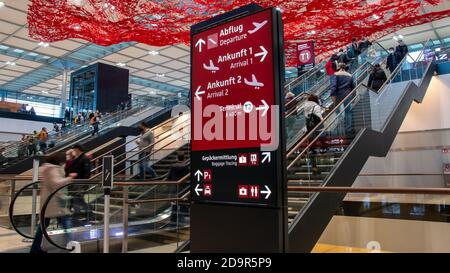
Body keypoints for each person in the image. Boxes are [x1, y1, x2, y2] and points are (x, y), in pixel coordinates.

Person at [30, 152, 76, 253]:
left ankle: (35, 248)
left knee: (42, 227)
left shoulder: (47, 167)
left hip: (49, 202)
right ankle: (74, 246)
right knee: (66, 225)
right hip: (55, 202)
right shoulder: (52, 169)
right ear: (59, 160)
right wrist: (70, 178)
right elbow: (56, 183)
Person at [330, 63, 356, 136]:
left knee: (337, 110)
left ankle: (340, 125)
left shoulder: (336, 74)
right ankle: (348, 129)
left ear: (338, 67)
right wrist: (353, 96)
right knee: (348, 112)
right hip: (348, 95)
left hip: (338, 95)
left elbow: (333, 86)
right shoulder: (349, 75)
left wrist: (332, 94)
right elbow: (353, 87)